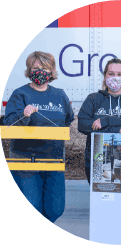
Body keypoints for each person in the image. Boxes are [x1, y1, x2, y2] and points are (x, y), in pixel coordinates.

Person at [77, 58, 121, 244]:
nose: (115, 78)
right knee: (103, 208)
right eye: (111, 74)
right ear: (105, 76)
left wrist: (106, 121)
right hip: (99, 163)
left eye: (119, 74)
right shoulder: (93, 99)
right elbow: (83, 125)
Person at [4, 51, 74, 222]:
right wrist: (24, 115)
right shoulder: (20, 94)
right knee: (31, 209)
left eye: (45, 68)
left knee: (55, 210)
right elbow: (9, 123)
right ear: (29, 70)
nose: (41, 72)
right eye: (36, 68)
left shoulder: (60, 95)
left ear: (52, 72)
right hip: (26, 161)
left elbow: (68, 118)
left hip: (54, 160)